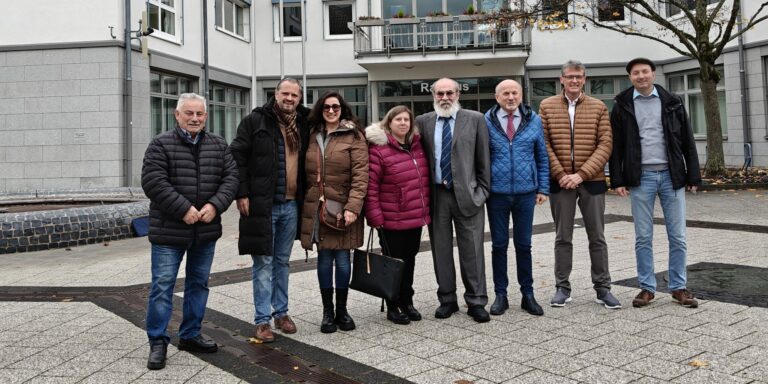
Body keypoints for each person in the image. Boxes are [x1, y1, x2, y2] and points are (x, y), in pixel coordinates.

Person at [141, 93, 238, 370]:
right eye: (189, 113)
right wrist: (183, 209)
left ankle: (191, 334)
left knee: (199, 284)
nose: (195, 118)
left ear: (205, 116)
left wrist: (215, 205)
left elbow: (231, 179)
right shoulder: (160, 144)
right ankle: (158, 341)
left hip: (205, 231)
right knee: (162, 287)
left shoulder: (218, 145)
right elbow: (153, 182)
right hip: (169, 231)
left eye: (200, 114)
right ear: (177, 115)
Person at [609, 57, 702, 309]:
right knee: (643, 236)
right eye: (636, 73)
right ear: (630, 77)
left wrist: (692, 175)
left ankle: (678, 287)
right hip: (641, 178)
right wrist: (617, 179)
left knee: (678, 236)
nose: (641, 76)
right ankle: (647, 288)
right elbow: (615, 145)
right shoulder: (622, 105)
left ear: (653, 74)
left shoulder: (672, 102)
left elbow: (687, 140)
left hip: (672, 177)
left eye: (645, 72)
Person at [229, 78, 310, 343]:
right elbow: (236, 156)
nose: (289, 98)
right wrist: (241, 192)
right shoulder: (256, 121)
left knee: (282, 262)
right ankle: (262, 320)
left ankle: (282, 313)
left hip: (291, 205)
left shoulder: (304, 123)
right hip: (262, 205)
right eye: (285, 93)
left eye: (294, 95)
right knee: (262, 262)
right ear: (275, 95)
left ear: (300, 98)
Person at [539, 60, 621, 310]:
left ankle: (603, 288)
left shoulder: (598, 107)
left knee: (597, 236)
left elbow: (606, 144)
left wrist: (581, 174)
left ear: (585, 79)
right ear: (561, 79)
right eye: (570, 77)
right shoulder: (547, 105)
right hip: (560, 181)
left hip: (592, 181)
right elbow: (543, 143)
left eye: (579, 77)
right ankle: (562, 288)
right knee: (563, 236)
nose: (574, 81)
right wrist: (561, 173)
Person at [416, 78, 492, 323]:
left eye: (450, 92)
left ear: (458, 94)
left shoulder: (475, 119)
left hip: (468, 196)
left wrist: (481, 193)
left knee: (473, 250)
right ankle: (447, 300)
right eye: (440, 93)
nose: (445, 97)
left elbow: (484, 159)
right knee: (441, 250)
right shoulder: (423, 122)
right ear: (433, 95)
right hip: (437, 195)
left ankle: (477, 301)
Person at [300, 91, 368, 333]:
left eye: (336, 107)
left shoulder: (354, 135)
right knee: (324, 257)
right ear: (320, 109)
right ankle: (327, 312)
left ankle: (342, 310)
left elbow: (361, 175)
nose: (331, 111)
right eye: (327, 107)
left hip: (342, 207)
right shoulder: (311, 134)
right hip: (317, 206)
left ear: (342, 109)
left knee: (341, 258)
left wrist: (353, 207)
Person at [484, 79, 549, 317]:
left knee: (524, 245)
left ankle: (528, 294)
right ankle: (500, 294)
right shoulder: (486, 121)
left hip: (526, 193)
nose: (511, 97)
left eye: (515, 93)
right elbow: (480, 159)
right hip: (496, 195)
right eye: (505, 93)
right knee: (499, 245)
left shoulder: (534, 120)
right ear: (497, 96)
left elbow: (542, 157)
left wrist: (543, 188)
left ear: (521, 95)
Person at [364, 105, 431, 325]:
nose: (403, 123)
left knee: (409, 260)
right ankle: (392, 305)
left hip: (414, 216)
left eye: (406, 120)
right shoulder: (379, 150)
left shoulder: (417, 146)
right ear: (388, 123)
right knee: (393, 262)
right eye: (398, 120)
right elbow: (371, 187)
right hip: (390, 219)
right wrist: (375, 217)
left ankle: (407, 301)